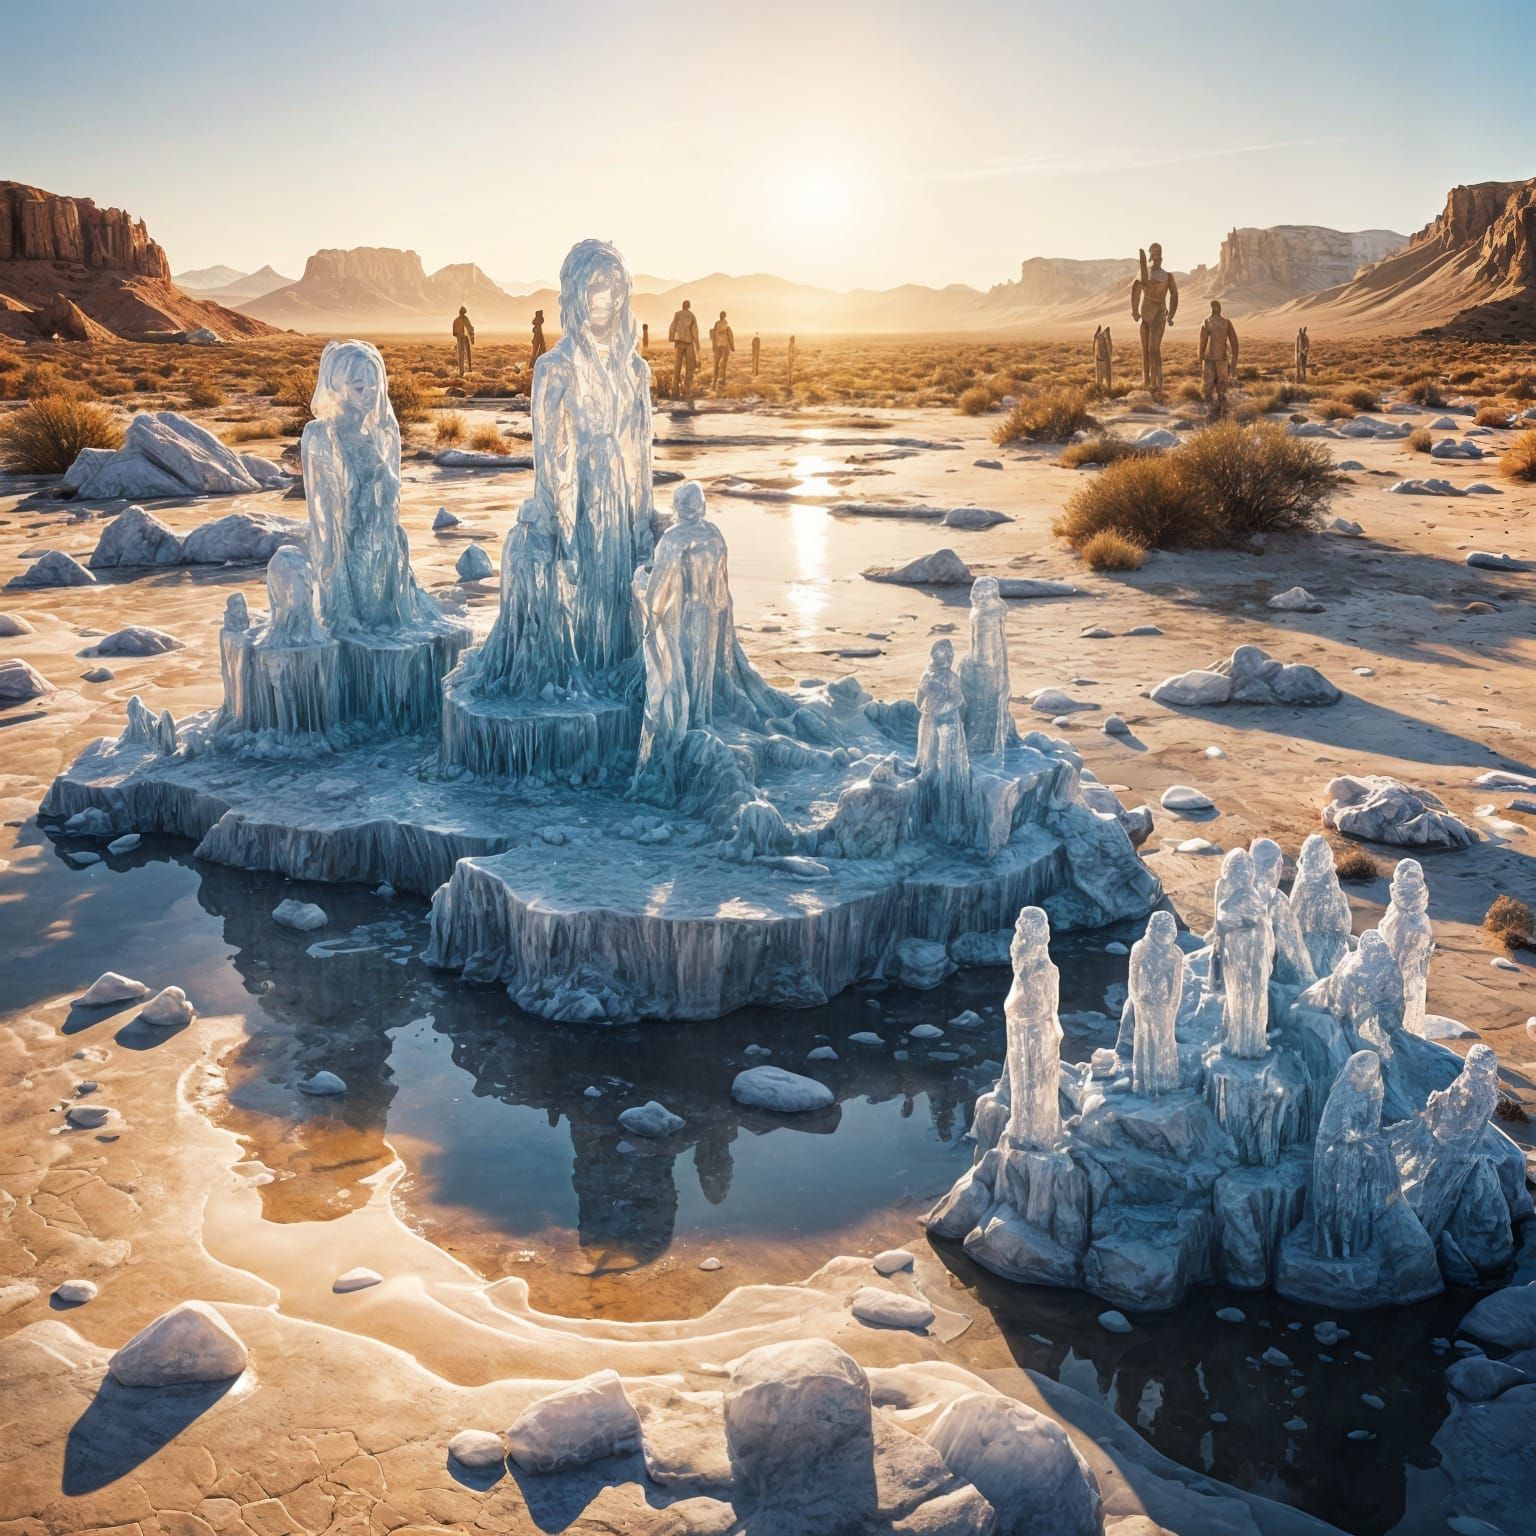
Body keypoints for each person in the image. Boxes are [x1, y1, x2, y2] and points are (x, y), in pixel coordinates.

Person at [1130, 244, 1178, 393]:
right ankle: (1147, 383)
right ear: (1150, 255)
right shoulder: (1144, 274)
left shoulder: (1167, 276)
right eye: (1154, 252)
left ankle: (1158, 384)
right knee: (1145, 350)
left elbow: (1174, 295)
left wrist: (1170, 315)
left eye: (1159, 252)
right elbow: (1136, 291)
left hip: (1159, 314)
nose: (1157, 255)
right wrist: (1135, 311)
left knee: (1154, 349)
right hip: (1145, 316)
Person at [1198, 299, 1239, 417]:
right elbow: (1234, 343)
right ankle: (1220, 411)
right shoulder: (1225, 322)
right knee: (1221, 386)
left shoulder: (1207, 322)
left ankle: (1210, 411)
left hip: (1211, 359)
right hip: (1221, 358)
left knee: (1208, 387)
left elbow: (1202, 342)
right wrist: (1234, 361)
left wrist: (1200, 356)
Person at [668, 298, 700, 401]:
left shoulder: (677, 314)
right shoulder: (691, 316)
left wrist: (672, 338)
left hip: (679, 343)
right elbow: (694, 331)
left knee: (677, 367)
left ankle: (675, 392)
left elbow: (672, 326)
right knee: (689, 367)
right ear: (689, 306)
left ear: (683, 306)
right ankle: (687, 391)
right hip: (689, 343)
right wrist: (697, 343)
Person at [710, 310, 735, 390]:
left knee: (716, 364)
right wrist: (732, 347)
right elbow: (730, 336)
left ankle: (715, 382)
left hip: (718, 346)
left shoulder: (716, 324)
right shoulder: (727, 325)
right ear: (725, 316)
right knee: (723, 364)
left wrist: (713, 346)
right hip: (724, 346)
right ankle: (722, 380)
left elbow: (713, 335)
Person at [452, 306, 475, 377]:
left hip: (464, 338)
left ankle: (469, 369)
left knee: (468, 354)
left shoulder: (462, 319)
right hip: (461, 338)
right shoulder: (457, 320)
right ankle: (461, 372)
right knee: (461, 355)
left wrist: (471, 338)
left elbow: (469, 328)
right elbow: (454, 332)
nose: (463, 314)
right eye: (463, 312)